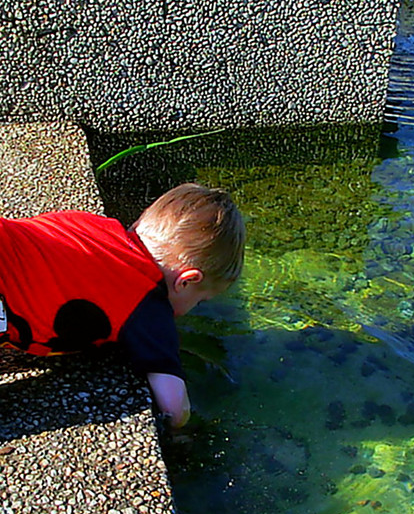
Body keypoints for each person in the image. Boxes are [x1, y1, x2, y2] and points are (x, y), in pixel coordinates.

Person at [0, 182, 245, 429]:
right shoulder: (148, 304)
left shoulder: (92, 225)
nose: (195, 308)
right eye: (200, 300)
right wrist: (181, 428)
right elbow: (173, 405)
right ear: (187, 280)